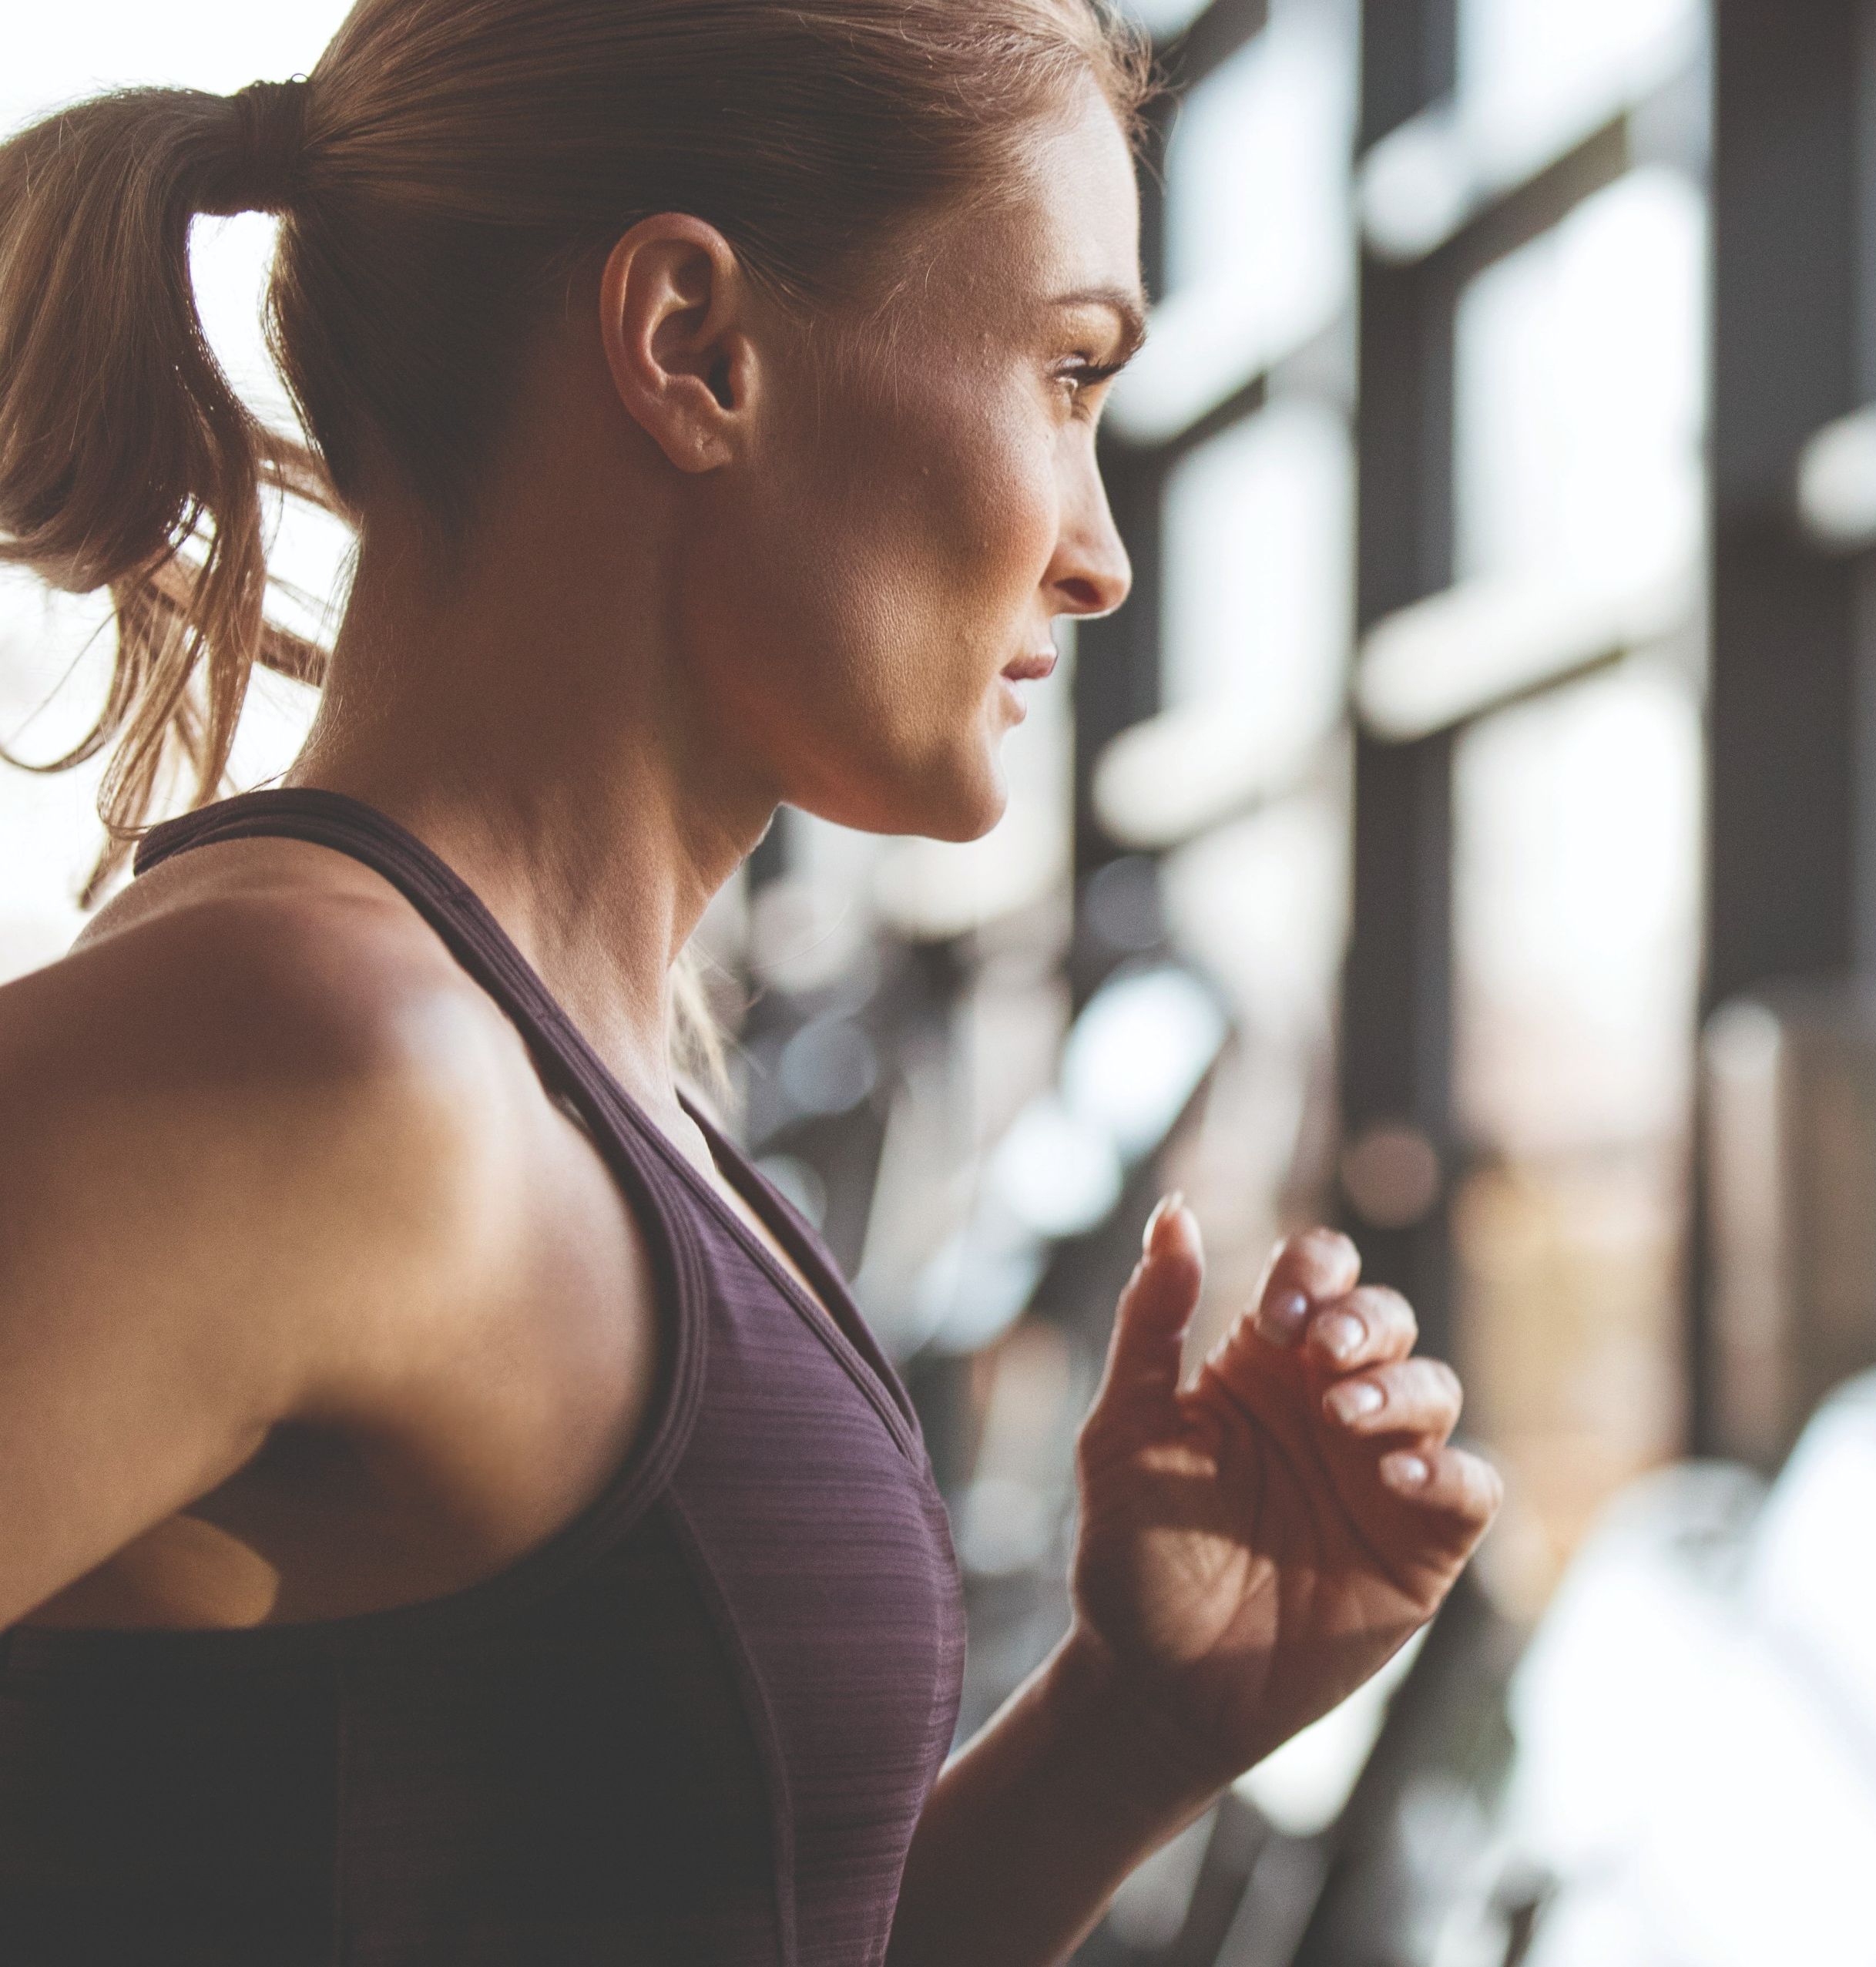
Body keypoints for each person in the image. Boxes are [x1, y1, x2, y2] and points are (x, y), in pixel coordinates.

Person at [0, 2, 1500, 1961]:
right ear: (697, 345)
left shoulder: (584, 1084)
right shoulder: (319, 1056)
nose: (1100, 553)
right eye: (1062, 373)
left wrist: (1128, 1731)